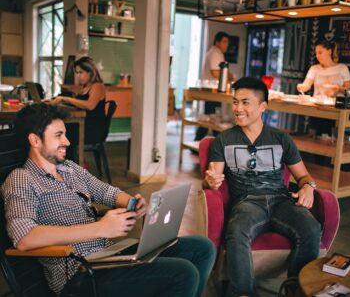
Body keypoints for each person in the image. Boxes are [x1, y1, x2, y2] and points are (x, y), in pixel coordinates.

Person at [1, 103, 216, 297]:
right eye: (58, 135)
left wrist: (132, 203)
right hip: (79, 274)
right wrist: (100, 228)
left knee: (201, 248)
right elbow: (24, 238)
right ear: (34, 140)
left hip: (108, 257)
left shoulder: (69, 169)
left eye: (65, 134)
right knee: (183, 273)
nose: (66, 141)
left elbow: (107, 192)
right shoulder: (21, 179)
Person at [203, 77, 321, 297]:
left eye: (245, 102)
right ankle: (244, 293)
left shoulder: (281, 139)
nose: (238, 109)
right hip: (247, 202)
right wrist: (209, 182)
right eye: (235, 102)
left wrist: (308, 187)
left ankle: (296, 291)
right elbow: (212, 177)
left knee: (311, 228)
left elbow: (304, 176)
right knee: (237, 231)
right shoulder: (223, 140)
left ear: (263, 107)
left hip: (281, 200)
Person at [195, 31, 234, 141]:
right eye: (224, 42)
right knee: (213, 119)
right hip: (213, 91)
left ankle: (200, 142)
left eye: (227, 42)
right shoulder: (215, 53)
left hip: (212, 91)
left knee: (210, 119)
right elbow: (215, 72)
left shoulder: (214, 52)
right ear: (217, 42)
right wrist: (229, 75)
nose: (227, 44)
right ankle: (219, 145)